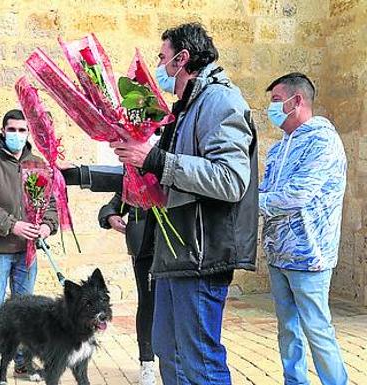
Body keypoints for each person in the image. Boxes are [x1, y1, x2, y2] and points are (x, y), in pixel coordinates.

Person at [111, 22, 258, 385]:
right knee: (168, 352)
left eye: (162, 58)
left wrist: (156, 160)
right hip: (174, 254)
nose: (157, 66)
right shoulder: (186, 107)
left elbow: (231, 180)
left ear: (183, 59)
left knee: (199, 361)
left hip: (201, 254)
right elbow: (159, 171)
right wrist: (78, 173)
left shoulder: (220, 100)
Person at [260, 73, 348, 385]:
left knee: (317, 328)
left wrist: (245, 204)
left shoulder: (322, 141)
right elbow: (267, 191)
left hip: (309, 256)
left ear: (296, 101)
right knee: (288, 328)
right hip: (278, 254)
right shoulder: (280, 147)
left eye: (275, 100)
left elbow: (295, 197)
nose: (271, 108)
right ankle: (294, 381)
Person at [0, 109, 58, 385]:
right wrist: (12, 225)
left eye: (22, 130)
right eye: (12, 130)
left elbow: (52, 206)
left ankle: (21, 362)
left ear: (28, 133)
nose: (17, 135)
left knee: (25, 312)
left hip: (27, 253)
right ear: (3, 131)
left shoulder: (38, 165)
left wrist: (46, 227)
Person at [98, 194, 156, 385]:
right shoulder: (134, 172)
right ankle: (147, 362)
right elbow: (114, 204)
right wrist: (110, 216)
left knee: (175, 304)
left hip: (177, 247)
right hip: (145, 248)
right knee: (147, 303)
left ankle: (177, 360)